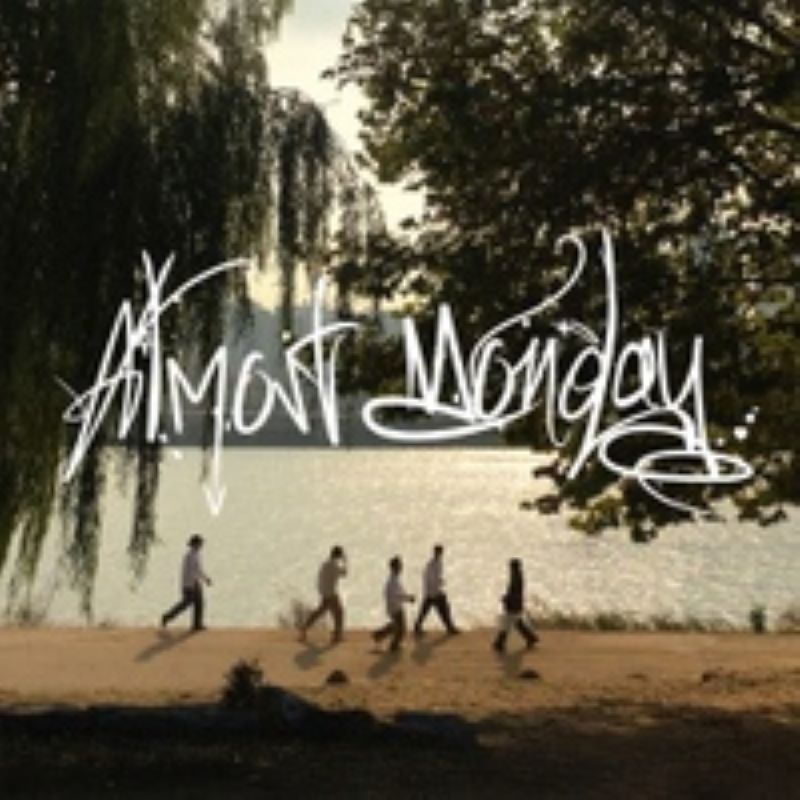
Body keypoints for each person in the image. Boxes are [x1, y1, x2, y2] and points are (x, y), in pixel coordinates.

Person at [161, 534, 212, 631]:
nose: (201, 545)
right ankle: (167, 617)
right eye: (200, 543)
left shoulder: (196, 555)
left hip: (195, 582)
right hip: (190, 584)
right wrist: (197, 582)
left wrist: (205, 579)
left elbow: (198, 570)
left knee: (199, 603)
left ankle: (197, 624)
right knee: (186, 604)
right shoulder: (190, 556)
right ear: (195, 544)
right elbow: (193, 571)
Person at [299, 545, 348, 644]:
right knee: (339, 613)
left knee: (320, 612)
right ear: (338, 556)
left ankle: (304, 628)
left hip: (324, 591)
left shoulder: (325, 564)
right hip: (331, 593)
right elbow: (344, 574)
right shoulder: (334, 565)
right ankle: (337, 636)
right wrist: (345, 562)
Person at [493, 558, 538, 652]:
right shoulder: (517, 576)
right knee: (516, 622)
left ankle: (500, 642)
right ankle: (531, 638)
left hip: (513, 604)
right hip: (515, 603)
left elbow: (513, 591)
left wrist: (507, 599)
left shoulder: (516, 578)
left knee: (507, 622)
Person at [414, 544, 460, 636]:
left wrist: (439, 582)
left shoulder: (437, 563)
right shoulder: (432, 564)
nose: (440, 554)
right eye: (439, 552)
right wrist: (438, 583)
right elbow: (430, 578)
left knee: (427, 609)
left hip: (433, 591)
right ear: (436, 552)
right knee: (443, 608)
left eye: (440, 552)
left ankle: (418, 626)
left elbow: (433, 577)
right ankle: (450, 628)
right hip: (433, 591)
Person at [372, 556, 415, 652]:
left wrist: (406, 597)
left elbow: (393, 593)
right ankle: (394, 645)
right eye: (400, 566)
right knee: (401, 628)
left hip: (394, 606)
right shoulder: (393, 581)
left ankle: (379, 635)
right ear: (395, 567)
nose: (401, 567)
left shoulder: (394, 579)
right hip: (395, 608)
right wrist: (408, 598)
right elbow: (397, 595)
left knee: (396, 625)